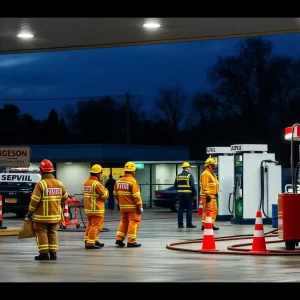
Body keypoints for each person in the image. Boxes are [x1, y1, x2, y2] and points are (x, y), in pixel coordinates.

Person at [26, 159, 68, 261]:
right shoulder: (59, 183)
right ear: (51, 171)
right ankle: (53, 254)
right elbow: (65, 196)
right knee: (53, 232)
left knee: (42, 232)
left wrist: (30, 212)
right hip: (55, 215)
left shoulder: (41, 184)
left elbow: (35, 200)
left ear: (41, 170)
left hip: (42, 216)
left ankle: (44, 254)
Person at [114, 161, 143, 247]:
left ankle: (119, 239)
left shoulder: (118, 181)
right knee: (133, 223)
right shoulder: (132, 181)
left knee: (124, 222)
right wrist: (140, 206)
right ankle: (131, 241)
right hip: (132, 208)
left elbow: (115, 194)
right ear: (132, 171)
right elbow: (136, 196)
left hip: (123, 207)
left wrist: (122, 202)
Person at [83, 164, 109, 249]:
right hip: (96, 209)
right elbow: (104, 196)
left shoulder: (86, 183)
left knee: (90, 225)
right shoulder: (97, 184)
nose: (101, 175)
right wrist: (106, 190)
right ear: (98, 174)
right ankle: (90, 243)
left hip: (88, 209)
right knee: (95, 226)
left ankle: (90, 240)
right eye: (100, 173)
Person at [174, 162, 197, 228]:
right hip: (188, 195)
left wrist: (180, 190)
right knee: (189, 209)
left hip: (180, 195)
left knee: (180, 209)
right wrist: (194, 194)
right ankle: (189, 224)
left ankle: (180, 224)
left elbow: (175, 185)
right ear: (187, 168)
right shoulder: (189, 175)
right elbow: (192, 186)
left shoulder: (178, 176)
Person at [200, 156, 219, 230]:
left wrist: (216, 192)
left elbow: (214, 185)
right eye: (213, 165)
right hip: (207, 196)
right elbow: (204, 186)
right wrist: (208, 195)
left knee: (214, 210)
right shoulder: (206, 174)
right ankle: (205, 225)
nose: (214, 167)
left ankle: (210, 224)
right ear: (209, 165)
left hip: (212, 195)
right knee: (209, 210)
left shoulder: (211, 174)